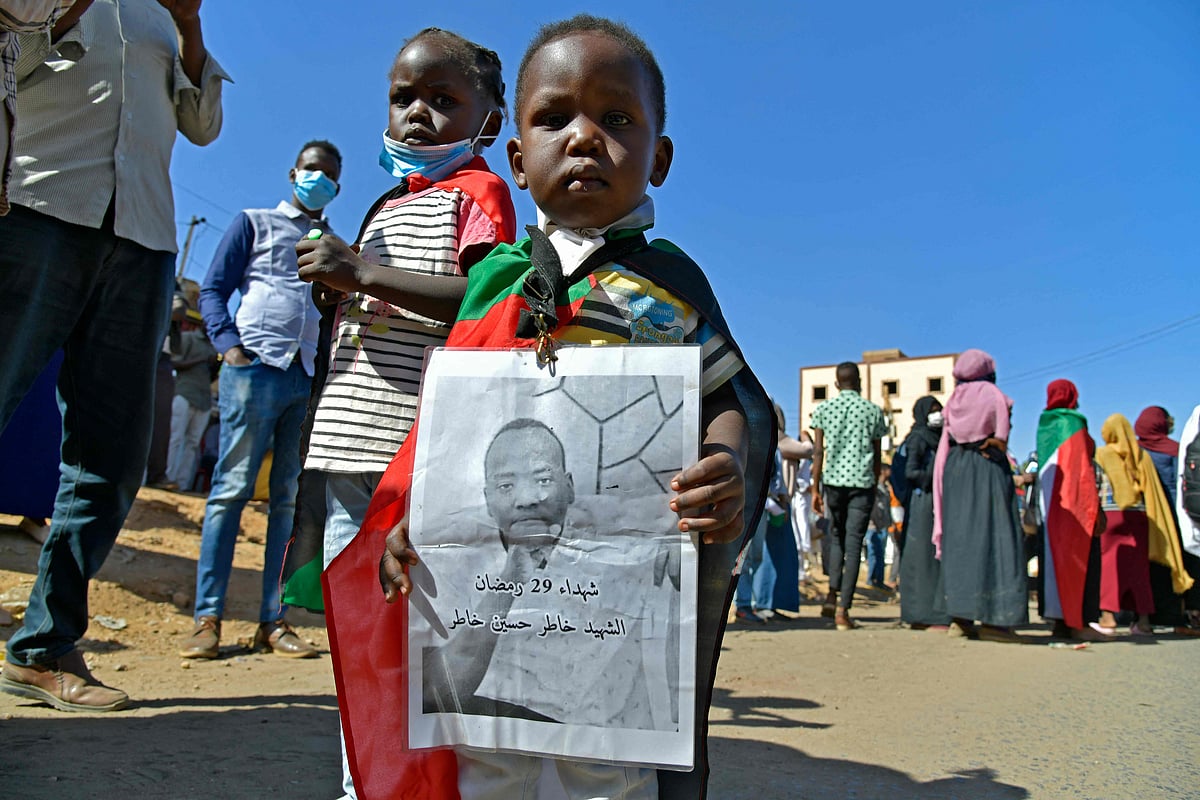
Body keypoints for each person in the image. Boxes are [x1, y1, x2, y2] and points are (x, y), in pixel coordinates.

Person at [327, 15, 776, 800]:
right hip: (486, 626)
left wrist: (726, 464)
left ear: (659, 158)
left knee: (608, 778)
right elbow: (449, 448)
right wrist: (416, 517)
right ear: (516, 154)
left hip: (617, 625)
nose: (584, 137)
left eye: (618, 119)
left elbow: (728, 398)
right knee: (482, 769)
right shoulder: (493, 283)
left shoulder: (665, 289)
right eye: (555, 117)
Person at [289, 29, 514, 800]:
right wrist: (341, 286)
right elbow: (371, 294)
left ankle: (392, 783)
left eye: (444, 101)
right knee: (361, 635)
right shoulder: (390, 202)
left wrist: (363, 272)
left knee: (402, 635)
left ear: (493, 118)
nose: (418, 115)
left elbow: (488, 301)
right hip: (347, 440)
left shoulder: (480, 193)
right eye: (403, 98)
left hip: (405, 451)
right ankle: (368, 777)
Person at [0, 0, 226, 712]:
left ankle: (44, 648)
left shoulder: (165, 23)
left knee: (112, 454)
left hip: (143, 241)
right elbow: (18, 68)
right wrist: (67, 13)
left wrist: (189, 27)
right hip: (38, 212)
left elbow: (203, 127)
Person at [182, 141, 343, 661]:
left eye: (330, 175)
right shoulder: (253, 223)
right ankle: (208, 619)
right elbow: (212, 290)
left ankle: (272, 622)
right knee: (230, 491)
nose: (319, 179)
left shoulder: (335, 242)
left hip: (304, 378)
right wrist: (229, 348)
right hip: (253, 369)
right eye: (312, 169)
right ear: (293, 172)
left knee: (288, 504)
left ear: (337, 186)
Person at [421, 419, 679, 732]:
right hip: (487, 758)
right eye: (506, 486)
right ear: (488, 499)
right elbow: (438, 693)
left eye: (543, 480)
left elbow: (664, 518)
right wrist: (509, 583)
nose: (527, 498)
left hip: (600, 757)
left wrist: (679, 539)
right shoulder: (452, 557)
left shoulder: (607, 536)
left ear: (569, 487)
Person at [932, 349, 1027, 642]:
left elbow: (947, 435)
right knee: (998, 538)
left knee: (961, 540)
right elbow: (1001, 435)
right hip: (987, 468)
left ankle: (960, 618)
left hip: (956, 469)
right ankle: (997, 621)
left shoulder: (954, 398)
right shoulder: (992, 393)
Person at [1093, 414, 1193, 635]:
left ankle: (1108, 617)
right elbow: (1151, 489)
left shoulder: (1102, 454)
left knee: (1109, 566)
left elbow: (1096, 484)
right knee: (1139, 570)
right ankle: (1144, 621)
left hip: (1111, 516)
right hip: (1140, 517)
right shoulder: (1141, 456)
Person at [809, 361, 887, 631]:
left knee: (837, 537)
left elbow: (818, 453)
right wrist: (874, 482)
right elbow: (877, 455)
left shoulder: (824, 409)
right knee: (854, 544)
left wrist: (815, 489)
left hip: (832, 483)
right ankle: (843, 611)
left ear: (836, 383)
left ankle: (831, 597)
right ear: (860, 382)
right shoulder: (873, 411)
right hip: (862, 484)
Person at [1034, 379, 1104, 640]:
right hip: (1075, 503)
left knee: (1052, 560)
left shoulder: (1044, 424)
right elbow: (1082, 468)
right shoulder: (1074, 422)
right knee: (1079, 556)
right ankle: (1079, 622)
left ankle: (1058, 621)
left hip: (1049, 505)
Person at [898, 395, 949, 629]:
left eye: (939, 409)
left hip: (936, 503)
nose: (937, 414)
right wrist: (935, 476)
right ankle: (918, 613)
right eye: (933, 410)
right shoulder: (917, 439)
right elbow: (910, 472)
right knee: (920, 559)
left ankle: (935, 612)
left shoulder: (942, 438)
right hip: (923, 504)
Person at [166, 307, 217, 490]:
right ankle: (168, 478)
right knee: (175, 437)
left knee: (193, 443)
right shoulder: (188, 338)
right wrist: (202, 359)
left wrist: (214, 364)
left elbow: (211, 377)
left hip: (204, 399)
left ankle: (182, 484)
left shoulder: (215, 347)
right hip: (184, 393)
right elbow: (174, 362)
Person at [786, 430, 817, 586]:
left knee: (802, 535)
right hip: (796, 498)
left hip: (801, 498)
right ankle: (800, 574)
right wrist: (805, 435)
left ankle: (802, 572)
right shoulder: (800, 455)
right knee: (798, 537)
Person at [865, 464, 895, 591]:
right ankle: (871, 579)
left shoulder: (885, 489)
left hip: (883, 525)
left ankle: (880, 580)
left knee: (880, 554)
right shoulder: (874, 489)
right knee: (873, 553)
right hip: (873, 525)